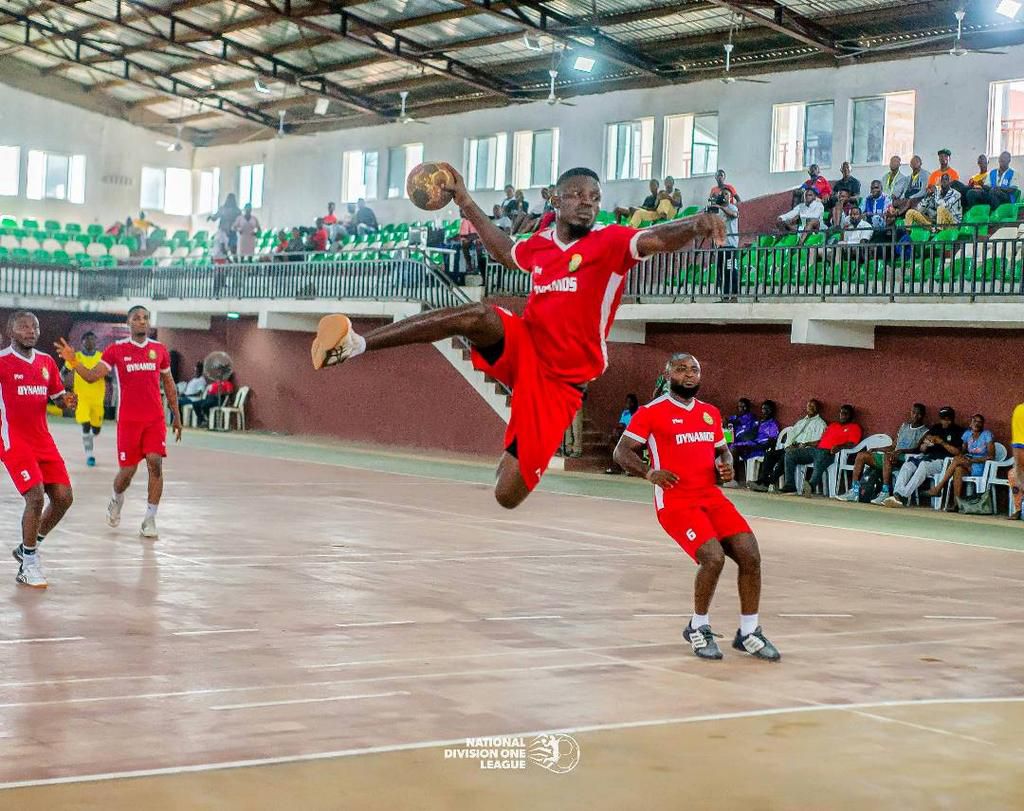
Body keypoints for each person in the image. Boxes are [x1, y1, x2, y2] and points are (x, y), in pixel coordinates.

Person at [310, 166, 724, 509]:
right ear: (555, 199)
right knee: (476, 315)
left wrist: (695, 223)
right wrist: (464, 201)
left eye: (595, 197)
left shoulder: (611, 242)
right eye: (578, 195)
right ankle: (357, 344)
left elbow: (656, 238)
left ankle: (519, 445)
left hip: (560, 384)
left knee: (506, 495)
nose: (588, 203)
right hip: (524, 346)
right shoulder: (541, 245)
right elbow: (505, 251)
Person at [613, 353, 780, 661]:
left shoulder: (710, 413)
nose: (689, 375)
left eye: (694, 370)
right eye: (681, 369)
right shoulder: (651, 412)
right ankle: (698, 627)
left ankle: (749, 632)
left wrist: (725, 465)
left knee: (750, 555)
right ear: (668, 376)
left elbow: (723, 451)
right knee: (713, 558)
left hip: (711, 497)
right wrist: (649, 473)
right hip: (676, 501)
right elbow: (621, 452)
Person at [56, 306, 182, 538]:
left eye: (145, 318)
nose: (142, 321)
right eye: (137, 318)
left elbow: (169, 383)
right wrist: (73, 360)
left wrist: (176, 414)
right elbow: (92, 376)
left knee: (155, 463)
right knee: (128, 472)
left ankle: (150, 519)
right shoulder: (116, 350)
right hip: (129, 421)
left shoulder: (159, 350)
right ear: (128, 323)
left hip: (154, 419)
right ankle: (116, 498)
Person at [2, 311, 76, 589]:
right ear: (11, 332)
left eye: (34, 327)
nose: (30, 331)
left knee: (64, 498)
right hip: (13, 440)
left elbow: (58, 399)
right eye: (23, 326)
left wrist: (67, 402)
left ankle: (26, 548)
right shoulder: (2, 362)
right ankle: (29, 565)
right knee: (35, 496)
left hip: (42, 440)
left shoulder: (46, 363)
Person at [834, 403, 928, 504]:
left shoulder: (924, 431)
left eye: (918, 414)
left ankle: (885, 492)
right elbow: (893, 446)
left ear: (922, 416)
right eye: (913, 412)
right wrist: (877, 449)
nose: (915, 416)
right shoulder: (904, 426)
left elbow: (918, 450)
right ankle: (855, 491)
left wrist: (901, 451)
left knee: (887, 456)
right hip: (892, 455)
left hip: (905, 458)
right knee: (861, 456)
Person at [882, 406, 963, 508]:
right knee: (908, 465)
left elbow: (957, 452)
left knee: (923, 466)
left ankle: (903, 496)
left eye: (948, 419)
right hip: (927, 457)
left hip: (943, 461)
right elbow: (923, 446)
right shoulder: (936, 428)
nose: (945, 421)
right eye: (943, 418)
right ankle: (897, 494)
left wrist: (941, 442)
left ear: (952, 419)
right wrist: (925, 446)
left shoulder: (958, 431)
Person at [782, 404, 862, 497]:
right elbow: (821, 441)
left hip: (830, 453)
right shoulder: (833, 425)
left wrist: (839, 447)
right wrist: (807, 444)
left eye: (846, 413)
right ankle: (790, 486)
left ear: (851, 416)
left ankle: (811, 486)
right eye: (841, 413)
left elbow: (852, 443)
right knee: (790, 454)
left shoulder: (854, 427)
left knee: (821, 457)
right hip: (816, 450)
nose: (843, 415)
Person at [747, 399, 827, 492]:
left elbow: (817, 442)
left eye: (813, 406)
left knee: (786, 456)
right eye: (809, 406)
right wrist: (788, 446)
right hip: (791, 448)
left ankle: (767, 483)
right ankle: (761, 480)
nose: (810, 408)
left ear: (818, 408)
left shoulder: (820, 424)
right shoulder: (801, 422)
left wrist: (802, 446)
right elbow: (791, 435)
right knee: (770, 454)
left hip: (805, 451)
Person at [925, 413, 994, 511]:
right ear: (971, 423)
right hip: (968, 464)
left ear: (983, 424)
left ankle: (939, 487)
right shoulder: (967, 434)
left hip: (980, 466)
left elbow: (991, 456)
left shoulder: (987, 435)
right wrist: (964, 456)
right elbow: (963, 451)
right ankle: (956, 504)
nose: (977, 424)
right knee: (958, 469)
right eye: (975, 421)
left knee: (957, 459)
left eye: (980, 422)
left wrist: (973, 460)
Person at [70, 331, 106, 467]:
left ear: (96, 342)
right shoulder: (76, 357)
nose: (90, 342)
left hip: (97, 400)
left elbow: (108, 375)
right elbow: (63, 372)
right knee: (85, 425)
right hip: (81, 398)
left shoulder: (102, 357)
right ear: (82, 342)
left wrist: (108, 377)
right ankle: (89, 454)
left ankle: (89, 437)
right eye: (87, 339)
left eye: (93, 339)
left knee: (96, 430)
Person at [730, 400, 780, 470]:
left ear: (772, 411)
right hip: (750, 444)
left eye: (768, 409)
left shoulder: (772, 424)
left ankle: (734, 475)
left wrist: (754, 447)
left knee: (733, 449)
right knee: (732, 447)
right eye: (763, 409)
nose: (765, 411)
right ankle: (733, 474)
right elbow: (750, 434)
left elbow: (772, 442)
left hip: (759, 449)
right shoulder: (759, 422)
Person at [604, 393, 639, 474]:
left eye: (629, 402)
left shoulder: (638, 412)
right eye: (626, 402)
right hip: (624, 435)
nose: (627, 404)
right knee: (611, 439)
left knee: (624, 443)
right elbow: (621, 425)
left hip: (635, 436)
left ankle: (630, 468)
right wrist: (615, 431)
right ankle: (617, 466)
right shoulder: (625, 413)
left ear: (633, 403)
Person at [1010, 402, 1024, 520]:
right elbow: (1018, 446)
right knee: (1013, 475)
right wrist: (1019, 469)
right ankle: (1019, 509)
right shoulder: (1021, 411)